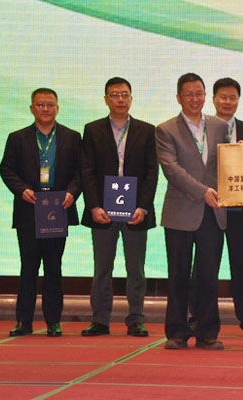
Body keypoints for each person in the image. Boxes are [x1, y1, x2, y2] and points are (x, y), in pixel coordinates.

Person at [0, 88, 81, 337]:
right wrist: (21, 189)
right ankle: (23, 321)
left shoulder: (72, 137)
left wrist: (72, 192)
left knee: (54, 267)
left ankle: (53, 321)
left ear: (58, 108)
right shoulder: (17, 138)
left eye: (50, 104)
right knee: (28, 267)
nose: (46, 109)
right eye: (40, 104)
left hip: (58, 208)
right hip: (29, 208)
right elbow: (6, 169)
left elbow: (81, 172)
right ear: (32, 108)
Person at [80, 77, 158, 337]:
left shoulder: (147, 130)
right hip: (103, 210)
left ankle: (136, 319)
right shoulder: (93, 130)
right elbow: (87, 171)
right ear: (106, 100)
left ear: (131, 99)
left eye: (125, 94)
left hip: (135, 211)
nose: (120, 99)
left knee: (136, 269)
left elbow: (152, 172)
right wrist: (93, 206)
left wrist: (143, 207)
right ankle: (100, 320)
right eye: (114, 95)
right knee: (102, 268)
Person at [156, 73, 228, 350]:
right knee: (179, 275)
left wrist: (240, 155)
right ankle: (177, 332)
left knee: (209, 275)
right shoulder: (166, 130)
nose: (195, 99)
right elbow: (171, 169)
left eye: (199, 93)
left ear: (205, 96)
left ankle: (207, 332)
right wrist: (202, 192)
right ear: (179, 98)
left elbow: (226, 163)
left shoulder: (219, 126)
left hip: (213, 212)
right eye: (189, 94)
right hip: (181, 211)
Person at [211, 77, 243, 338]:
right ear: (213, 100)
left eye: (233, 97)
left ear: (238, 100)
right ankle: (201, 317)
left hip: (240, 207)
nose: (228, 102)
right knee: (207, 264)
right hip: (210, 205)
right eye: (223, 97)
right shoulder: (203, 129)